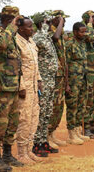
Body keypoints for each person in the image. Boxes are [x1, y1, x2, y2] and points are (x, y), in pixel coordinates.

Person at [0, 6, 25, 170]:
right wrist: (12, 26)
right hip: (1, 89)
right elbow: (1, 44)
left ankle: (8, 155)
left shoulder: (13, 38)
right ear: (8, 19)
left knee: (12, 124)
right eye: (15, 20)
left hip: (13, 89)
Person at [31, 10, 65, 155]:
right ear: (41, 23)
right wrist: (58, 22)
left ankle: (44, 142)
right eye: (47, 22)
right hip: (43, 81)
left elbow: (56, 35)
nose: (50, 25)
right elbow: (56, 35)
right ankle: (36, 144)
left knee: (47, 112)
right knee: (41, 111)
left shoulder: (47, 36)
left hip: (51, 80)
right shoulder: (38, 37)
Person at [15, 17, 44, 164]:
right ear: (20, 29)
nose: (32, 29)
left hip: (34, 86)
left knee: (34, 117)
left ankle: (29, 150)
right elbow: (16, 66)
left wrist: (39, 80)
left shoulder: (31, 41)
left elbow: (35, 64)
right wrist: (21, 86)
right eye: (29, 27)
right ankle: (21, 153)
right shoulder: (16, 42)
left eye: (32, 26)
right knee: (24, 119)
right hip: (24, 88)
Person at [47, 13, 69, 148]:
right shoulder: (51, 32)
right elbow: (54, 37)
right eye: (61, 19)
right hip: (53, 76)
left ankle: (52, 133)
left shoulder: (61, 34)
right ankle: (46, 135)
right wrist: (59, 23)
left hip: (61, 75)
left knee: (59, 106)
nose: (64, 21)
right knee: (52, 106)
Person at [64, 21, 88, 144]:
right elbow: (65, 64)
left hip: (83, 79)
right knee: (72, 106)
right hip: (73, 80)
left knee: (81, 104)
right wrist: (66, 83)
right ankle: (71, 133)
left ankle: (78, 131)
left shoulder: (83, 44)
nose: (84, 34)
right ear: (75, 32)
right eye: (81, 32)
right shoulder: (69, 44)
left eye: (85, 31)